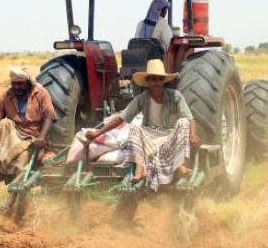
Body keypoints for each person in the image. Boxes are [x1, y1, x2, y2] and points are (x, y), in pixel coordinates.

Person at [85, 59, 199, 191]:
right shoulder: (142, 98)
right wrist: (98, 132)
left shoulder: (175, 96)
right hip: (150, 135)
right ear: (148, 82)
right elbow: (122, 117)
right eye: (153, 79)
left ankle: (181, 164)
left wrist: (194, 134)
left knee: (183, 122)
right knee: (134, 128)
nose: (157, 82)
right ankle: (141, 168)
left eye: (159, 79)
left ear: (163, 81)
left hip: (169, 135)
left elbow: (190, 117)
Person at [0, 67, 56, 215]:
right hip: (14, 134)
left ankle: (9, 203)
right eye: (14, 83)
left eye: (20, 83)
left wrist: (42, 137)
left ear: (27, 82)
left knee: (23, 160)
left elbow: (49, 117)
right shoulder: (7, 95)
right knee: (4, 123)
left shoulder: (40, 94)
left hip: (33, 138)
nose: (16, 87)